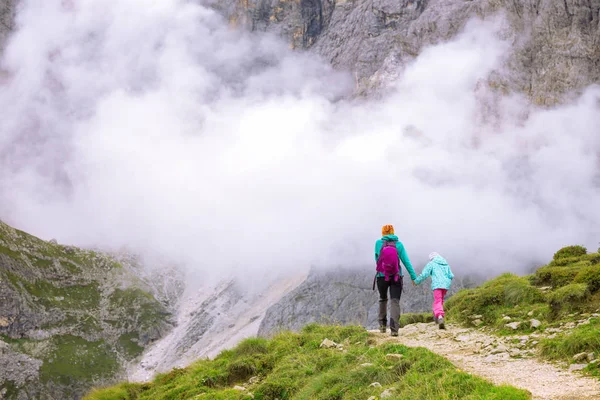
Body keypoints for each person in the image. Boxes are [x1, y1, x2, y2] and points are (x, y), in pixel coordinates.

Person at [374, 224, 417, 336]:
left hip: (382, 277)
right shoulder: (399, 244)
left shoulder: (378, 243)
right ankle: (394, 330)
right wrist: (413, 276)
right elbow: (406, 261)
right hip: (396, 276)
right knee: (395, 301)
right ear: (393, 232)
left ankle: (382, 326)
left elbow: (377, 259)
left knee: (383, 299)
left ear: (383, 233)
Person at [414, 252, 454, 329]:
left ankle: (439, 317)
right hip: (445, 285)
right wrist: (446, 281)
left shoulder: (431, 263)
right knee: (441, 300)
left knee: (437, 300)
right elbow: (451, 275)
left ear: (431, 258)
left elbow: (424, 274)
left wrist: (416, 281)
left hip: (437, 285)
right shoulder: (445, 263)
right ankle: (436, 318)